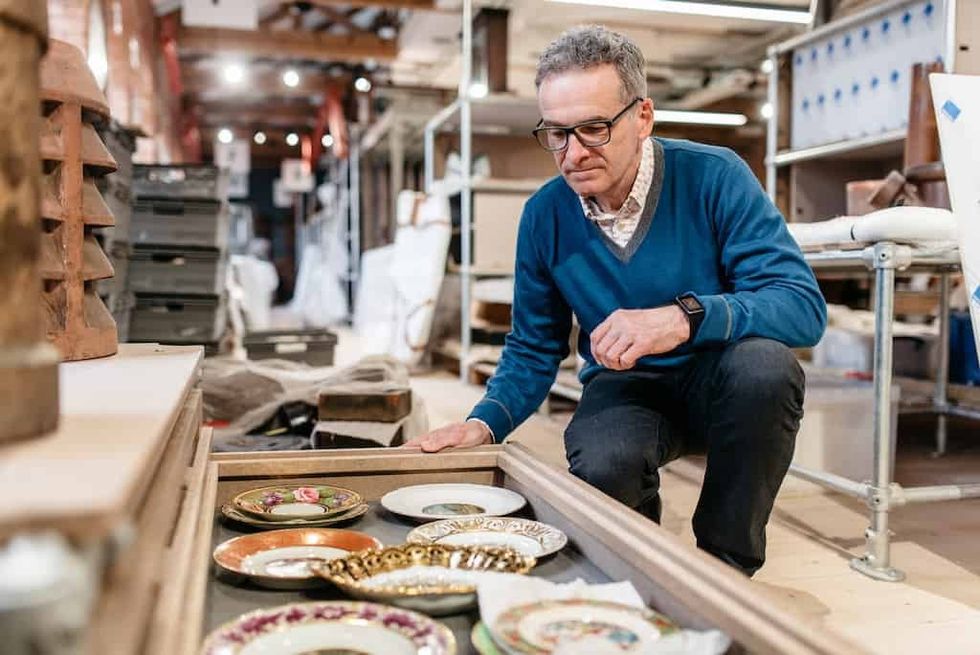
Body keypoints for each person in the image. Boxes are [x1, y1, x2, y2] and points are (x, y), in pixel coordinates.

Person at [404, 25, 826, 576]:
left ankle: (725, 568)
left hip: (722, 381)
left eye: (594, 128)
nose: (572, 153)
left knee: (767, 368)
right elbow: (533, 348)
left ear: (643, 116)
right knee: (605, 466)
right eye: (555, 134)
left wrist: (685, 318)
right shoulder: (546, 216)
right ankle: (640, 574)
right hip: (627, 388)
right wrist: (484, 424)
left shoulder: (714, 177)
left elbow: (801, 307)